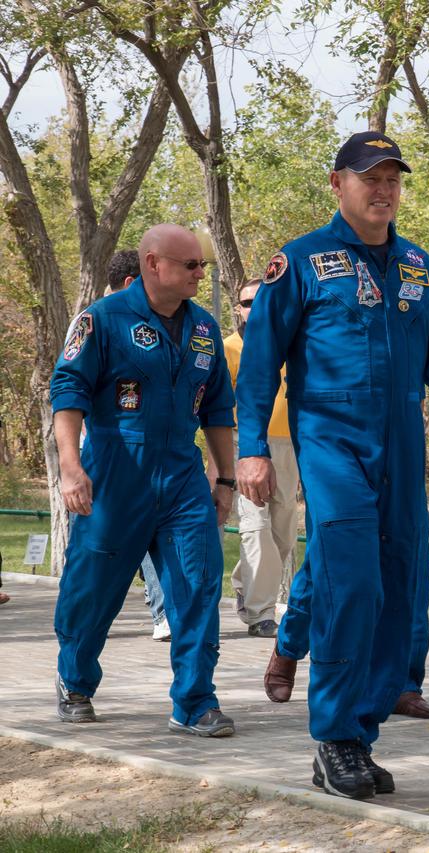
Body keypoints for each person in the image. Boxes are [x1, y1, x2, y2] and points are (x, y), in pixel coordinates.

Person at [236, 130, 429, 800]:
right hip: (330, 435)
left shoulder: (417, 266)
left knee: (399, 583)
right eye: (368, 177)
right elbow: (260, 365)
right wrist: (251, 448)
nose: (382, 190)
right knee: (351, 581)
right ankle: (336, 735)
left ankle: (361, 730)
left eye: (392, 179)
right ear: (337, 184)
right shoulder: (299, 263)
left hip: (402, 439)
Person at [50, 224, 237, 737]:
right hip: (115, 474)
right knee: (92, 589)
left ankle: (195, 702)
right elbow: (68, 393)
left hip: (182, 475)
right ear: (153, 264)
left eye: (203, 265)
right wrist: (71, 467)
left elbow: (219, 407)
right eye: (190, 265)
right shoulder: (102, 320)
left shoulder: (204, 329)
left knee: (198, 586)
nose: (201, 273)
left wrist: (225, 481)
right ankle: (75, 682)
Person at [223, 277, 299, 638]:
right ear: (237, 308)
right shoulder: (230, 349)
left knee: (283, 532)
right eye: (247, 302)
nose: (253, 308)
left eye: (260, 301)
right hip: (247, 446)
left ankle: (244, 583)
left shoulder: (292, 344)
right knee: (256, 527)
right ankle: (260, 613)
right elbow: (218, 410)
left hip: (290, 446)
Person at [106, 249, 169, 641]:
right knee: (102, 554)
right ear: (133, 283)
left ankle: (164, 613)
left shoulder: (176, 324)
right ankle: (86, 623)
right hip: (108, 463)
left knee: (155, 538)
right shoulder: (97, 322)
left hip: (161, 460)